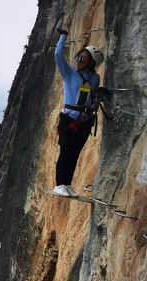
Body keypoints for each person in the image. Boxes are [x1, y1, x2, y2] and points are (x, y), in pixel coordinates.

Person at [52, 28, 104, 197]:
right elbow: (58, 55)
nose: (78, 60)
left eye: (82, 58)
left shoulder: (94, 79)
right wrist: (63, 36)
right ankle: (59, 184)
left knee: (74, 154)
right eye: (78, 57)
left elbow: (90, 96)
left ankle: (67, 184)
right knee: (66, 151)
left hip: (84, 119)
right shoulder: (69, 73)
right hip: (69, 117)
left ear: (91, 63)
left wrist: (95, 104)